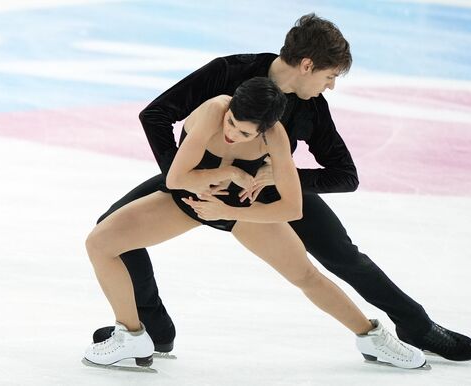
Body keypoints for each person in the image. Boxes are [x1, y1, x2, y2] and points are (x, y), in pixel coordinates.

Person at [92, 14, 471, 362]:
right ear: (307, 65)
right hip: (201, 179)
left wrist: (281, 176)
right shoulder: (229, 72)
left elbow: (344, 175)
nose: (331, 86)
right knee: (110, 231)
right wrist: (183, 177)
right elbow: (156, 115)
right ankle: (152, 329)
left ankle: (417, 326)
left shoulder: (311, 107)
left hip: (269, 190)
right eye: (329, 76)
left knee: (342, 256)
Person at [83, 77, 427, 370]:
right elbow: (176, 178)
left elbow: (291, 208)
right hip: (188, 200)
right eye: (231, 122)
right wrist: (229, 172)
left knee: (306, 276)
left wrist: (229, 212)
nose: (231, 132)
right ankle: (131, 336)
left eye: (244, 132)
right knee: (100, 243)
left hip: (240, 207)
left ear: (265, 131)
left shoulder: (276, 138)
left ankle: (372, 338)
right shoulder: (213, 110)